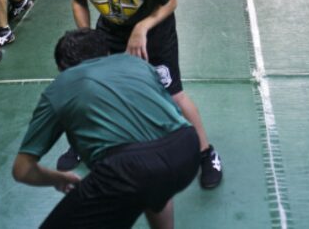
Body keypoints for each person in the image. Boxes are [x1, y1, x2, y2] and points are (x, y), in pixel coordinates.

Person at [66, 0, 223, 189]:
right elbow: (78, 0)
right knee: (96, 91)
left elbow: (171, 1)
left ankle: (206, 153)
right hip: (111, 31)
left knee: (172, 95)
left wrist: (143, 27)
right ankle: (87, 142)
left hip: (154, 32)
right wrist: (86, 35)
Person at [12, 28, 200, 229]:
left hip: (128, 169)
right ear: (108, 53)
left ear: (61, 67)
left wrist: (59, 178)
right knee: (154, 187)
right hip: (187, 149)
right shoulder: (135, 63)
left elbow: (23, 170)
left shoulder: (60, 86)